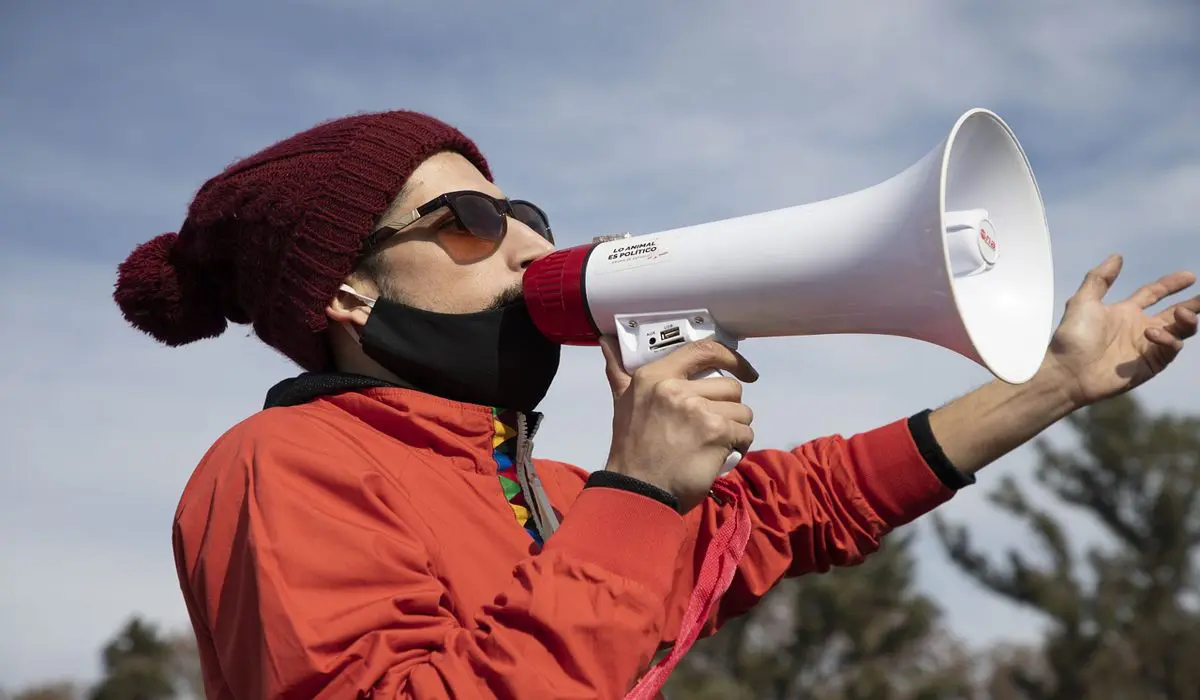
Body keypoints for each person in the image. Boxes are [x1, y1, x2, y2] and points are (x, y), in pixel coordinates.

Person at [113, 110, 1197, 700]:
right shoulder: (280, 464)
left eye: (525, 212)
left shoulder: (551, 496)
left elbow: (796, 506)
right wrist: (636, 493)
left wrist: (1052, 384)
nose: (533, 243)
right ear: (345, 290)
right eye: (470, 221)